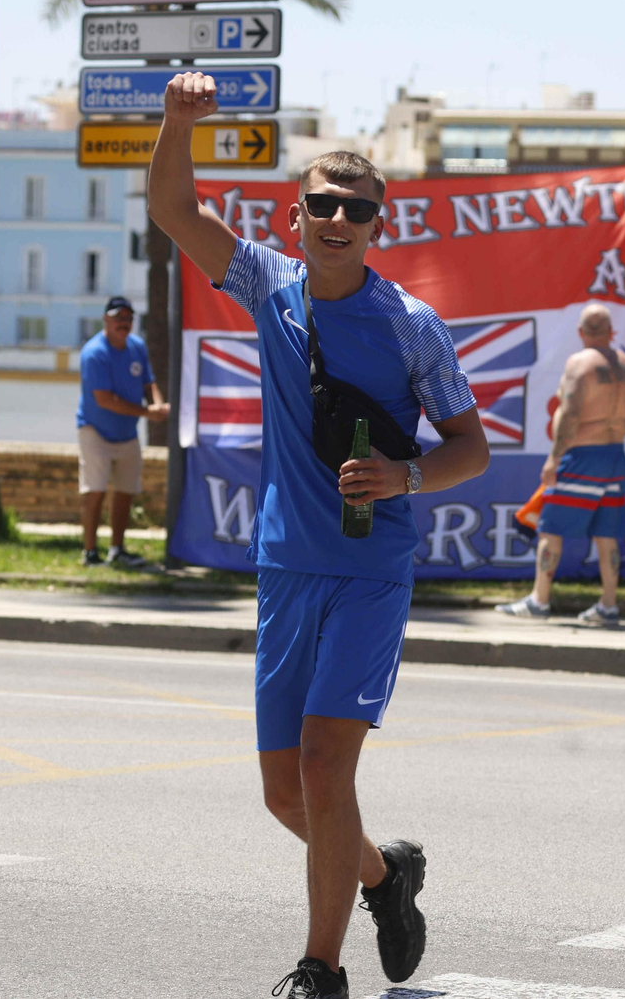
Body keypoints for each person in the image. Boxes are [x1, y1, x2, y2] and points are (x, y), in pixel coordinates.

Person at [149, 71, 490, 999]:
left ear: (380, 225)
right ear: (294, 217)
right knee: (284, 796)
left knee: (325, 767)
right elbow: (172, 206)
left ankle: (319, 966)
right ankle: (387, 876)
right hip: (284, 568)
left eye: (358, 209)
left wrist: (405, 474)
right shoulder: (270, 285)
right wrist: (178, 122)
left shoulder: (414, 327)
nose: (339, 219)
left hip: (370, 573)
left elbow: (472, 449)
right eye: (323, 205)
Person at [496, 304, 625, 627]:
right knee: (607, 533)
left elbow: (571, 412)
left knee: (550, 528)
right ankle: (608, 605)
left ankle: (540, 600)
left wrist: (555, 457)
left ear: (581, 332)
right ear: (611, 332)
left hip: (582, 455)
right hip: (615, 454)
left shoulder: (580, 363)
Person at [76, 296, 168, 570]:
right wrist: (147, 413)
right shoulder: (94, 352)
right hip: (95, 430)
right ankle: (90, 552)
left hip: (126, 432)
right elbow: (105, 399)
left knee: (126, 492)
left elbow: (148, 382)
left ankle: (117, 549)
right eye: (118, 318)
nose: (124, 323)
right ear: (106, 320)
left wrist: (158, 404)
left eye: (128, 318)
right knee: (95, 491)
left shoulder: (137, 346)